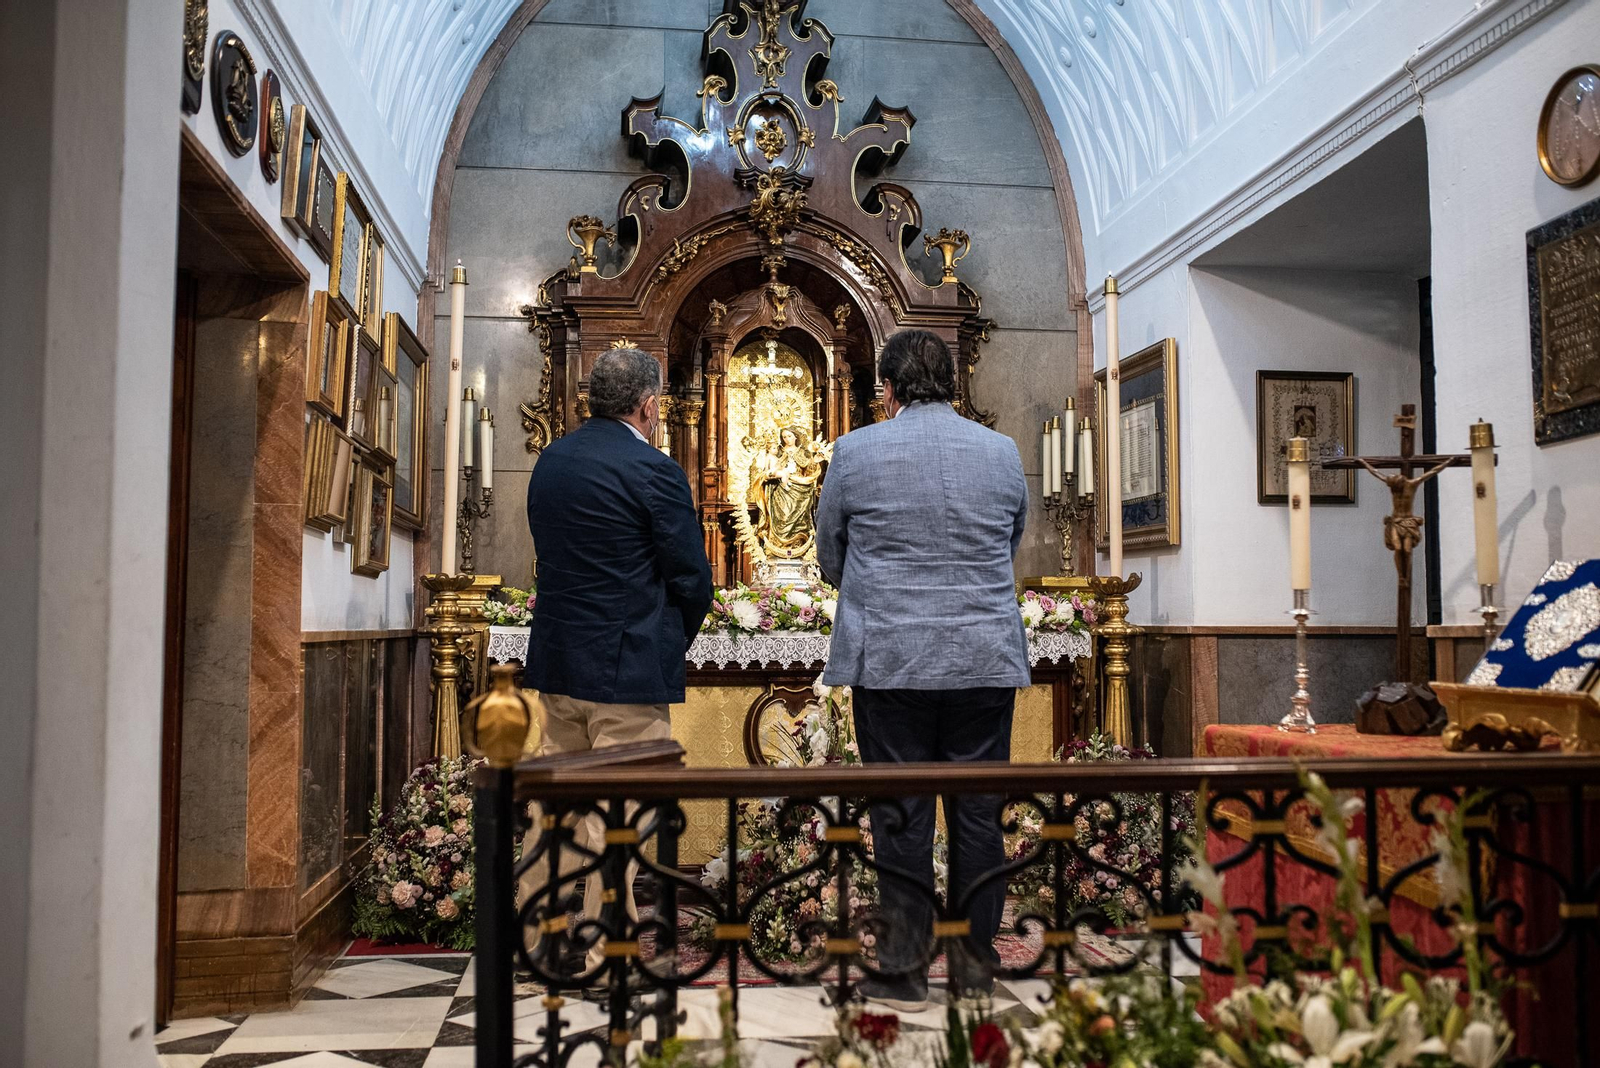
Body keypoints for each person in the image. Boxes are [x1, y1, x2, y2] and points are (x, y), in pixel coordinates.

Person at [815, 329, 1029, 1011]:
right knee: (976, 815)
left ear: (886, 390)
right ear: (954, 386)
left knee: (902, 815)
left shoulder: (854, 452)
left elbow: (828, 556)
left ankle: (904, 969)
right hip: (981, 656)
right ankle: (973, 968)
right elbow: (1010, 538)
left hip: (893, 660)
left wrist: (885, 593)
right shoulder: (1001, 452)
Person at [517, 346, 712, 983]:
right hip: (625, 666)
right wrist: (666, 641)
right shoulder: (653, 469)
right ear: (648, 405)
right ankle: (608, 953)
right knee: (619, 812)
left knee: (557, 809)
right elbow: (690, 575)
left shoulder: (550, 462)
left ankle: (534, 938)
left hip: (559, 660)